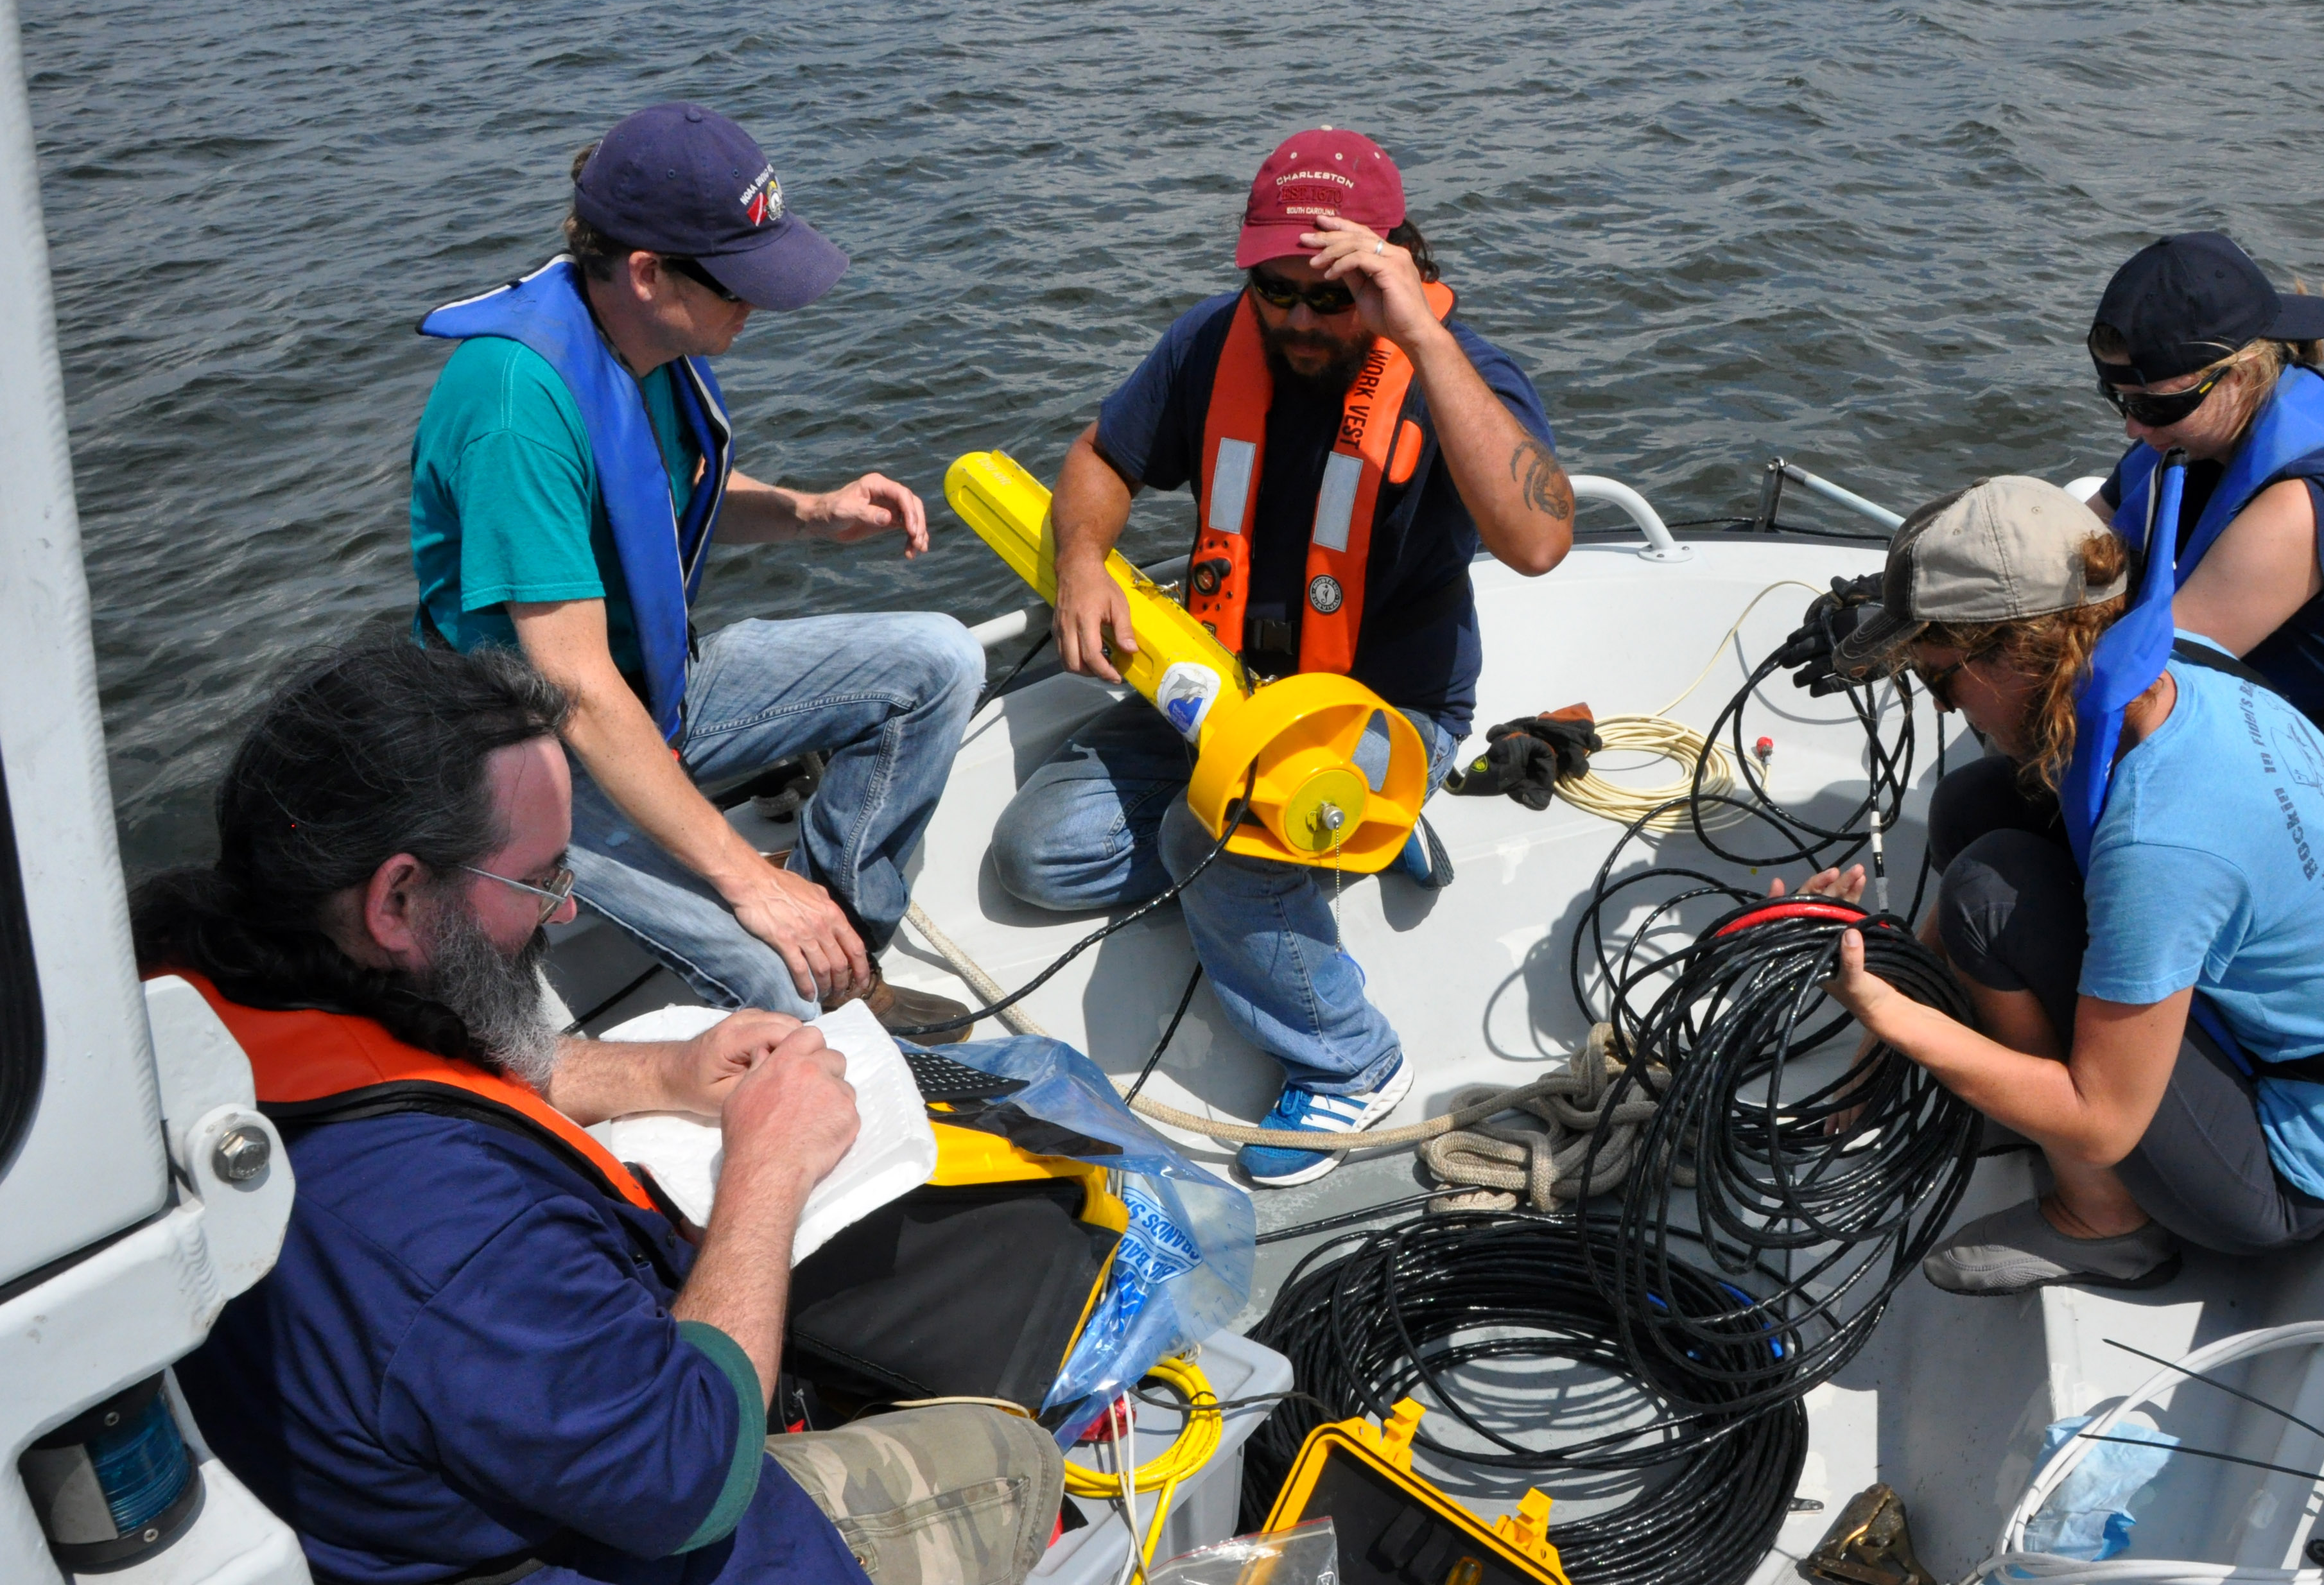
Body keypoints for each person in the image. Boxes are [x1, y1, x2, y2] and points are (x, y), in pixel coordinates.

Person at [148, 639, 1061, 1585]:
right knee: (1017, 1458)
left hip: (393, 1485)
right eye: (538, 880)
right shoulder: (448, 1233)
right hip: (625, 1538)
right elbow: (692, 1480)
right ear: (399, 899)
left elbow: (389, 1062)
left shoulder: (200, 997)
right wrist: (769, 1165)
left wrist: (663, 1072)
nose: (565, 912)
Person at [987, 128, 1573, 1186]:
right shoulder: (1211, 344)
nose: (1300, 318)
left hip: (1383, 716)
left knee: (1199, 840)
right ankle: (1349, 844)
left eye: (1330, 294)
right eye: (1274, 288)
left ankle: (1353, 1058)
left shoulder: (1463, 372)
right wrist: (1081, 560)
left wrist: (1423, 344)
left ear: (1392, 267)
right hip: (1223, 698)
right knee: (1039, 855)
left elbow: (1538, 541)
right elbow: (1100, 457)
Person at [410, 101, 980, 1036]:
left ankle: (842, 932)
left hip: (655, 696)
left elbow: (650, 489)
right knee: (781, 976)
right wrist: (744, 878)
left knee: (939, 662)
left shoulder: (645, 341)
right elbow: (576, 691)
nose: (756, 303)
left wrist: (808, 512)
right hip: (535, 764)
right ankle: (810, 973)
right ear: (645, 272)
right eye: (737, 283)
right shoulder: (515, 405)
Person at [1813, 477, 2324, 1295]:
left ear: (2017, 652)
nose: (1947, 705)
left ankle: (2104, 1223)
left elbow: (2102, 1121)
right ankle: (2014, 1082)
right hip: (2273, 1044)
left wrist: (1888, 1010)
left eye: (1939, 679)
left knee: (1986, 899)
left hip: (2284, 1169)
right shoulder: (2166, 666)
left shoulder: (2163, 828)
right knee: (1978, 802)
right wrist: (1877, 1026)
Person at [1898, 232, 2324, 879]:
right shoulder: (2184, 441)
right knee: (1971, 805)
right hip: (2253, 739)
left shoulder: (2300, 511)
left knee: (2002, 854)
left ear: (2242, 371)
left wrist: (1961, 663)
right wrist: (1894, 613)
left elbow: (2137, 694)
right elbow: (2042, 570)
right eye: (2117, 398)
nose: (2132, 428)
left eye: (2151, 403)